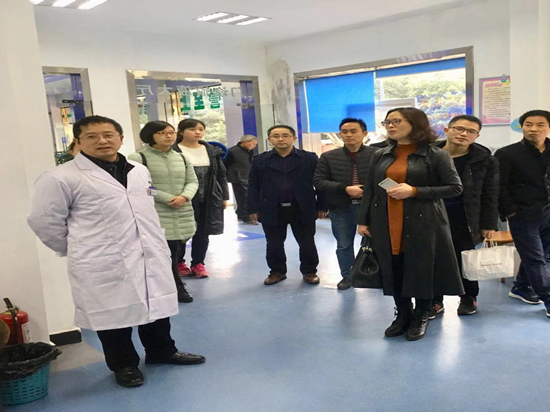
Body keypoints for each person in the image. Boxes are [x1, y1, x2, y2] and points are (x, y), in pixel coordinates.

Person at [28, 115, 205, 388]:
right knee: (112, 314)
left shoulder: (138, 170)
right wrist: (78, 248)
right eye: (92, 136)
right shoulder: (60, 177)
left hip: (149, 250)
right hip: (101, 258)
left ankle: (161, 351)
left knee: (156, 304)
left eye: (108, 134)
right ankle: (123, 364)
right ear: (78, 141)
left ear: (121, 138)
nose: (102, 141)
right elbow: (44, 221)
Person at [357, 108, 464, 341]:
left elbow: (455, 187)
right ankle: (402, 313)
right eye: (387, 122)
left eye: (397, 121)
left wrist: (415, 191)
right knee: (394, 266)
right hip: (386, 220)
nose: (390, 125)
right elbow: (372, 189)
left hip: (424, 221)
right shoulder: (380, 154)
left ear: (415, 124)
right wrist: (363, 220)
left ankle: (421, 314)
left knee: (422, 267)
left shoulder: (436, 154)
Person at [429, 115, 499, 317]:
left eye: (470, 131)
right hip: (431, 215)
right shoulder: (428, 155)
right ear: (447, 130)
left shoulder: (485, 160)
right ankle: (435, 300)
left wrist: (488, 224)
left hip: (466, 217)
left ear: (477, 136)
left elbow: (491, 194)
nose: (463, 134)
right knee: (433, 258)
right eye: (459, 128)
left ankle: (469, 297)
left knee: (466, 259)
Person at [128, 120, 198, 303]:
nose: (169, 136)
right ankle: (175, 287)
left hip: (182, 209)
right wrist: (167, 198)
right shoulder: (138, 158)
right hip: (156, 211)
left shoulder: (182, 157)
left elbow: (192, 181)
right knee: (164, 253)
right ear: (150, 135)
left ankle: (172, 284)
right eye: (162, 133)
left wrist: (184, 197)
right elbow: (139, 186)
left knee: (176, 250)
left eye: (171, 132)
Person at [248, 125, 326, 286]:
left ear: (294, 138)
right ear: (269, 140)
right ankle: (277, 272)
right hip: (271, 207)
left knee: (307, 242)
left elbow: (320, 183)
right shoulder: (259, 160)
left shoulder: (309, 158)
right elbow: (253, 185)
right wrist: (252, 208)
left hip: (302, 207)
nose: (280, 139)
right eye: (276, 136)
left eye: (285, 135)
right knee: (274, 243)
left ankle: (310, 271)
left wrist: (322, 206)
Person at [495, 109, 550, 318]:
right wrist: (510, 212)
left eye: (540, 124)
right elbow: (499, 186)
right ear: (522, 127)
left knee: (542, 255)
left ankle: (520, 287)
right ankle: (548, 298)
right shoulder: (507, 153)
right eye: (528, 124)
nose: (533, 129)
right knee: (535, 258)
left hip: (548, 213)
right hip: (523, 215)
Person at [314, 118, 377, 290]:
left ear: (364, 134)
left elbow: (385, 179)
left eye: (353, 131)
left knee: (375, 242)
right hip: (341, 207)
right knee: (343, 244)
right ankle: (348, 276)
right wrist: (345, 188)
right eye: (344, 131)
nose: (348, 135)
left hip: (370, 207)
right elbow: (319, 181)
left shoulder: (377, 154)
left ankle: (374, 273)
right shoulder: (328, 157)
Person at [173, 119, 230, 278]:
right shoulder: (173, 151)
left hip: (208, 197)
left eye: (200, 129)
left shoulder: (211, 150)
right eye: (192, 129)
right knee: (182, 233)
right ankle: (179, 262)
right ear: (181, 132)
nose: (197, 132)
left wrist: (224, 196)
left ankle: (198, 263)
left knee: (203, 232)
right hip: (183, 199)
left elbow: (221, 175)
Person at [224, 135, 258, 225]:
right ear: (245, 142)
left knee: (244, 197)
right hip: (237, 178)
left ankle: (240, 213)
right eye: (253, 144)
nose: (254, 146)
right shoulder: (232, 151)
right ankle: (246, 217)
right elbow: (225, 164)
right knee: (243, 198)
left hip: (247, 177)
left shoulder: (250, 151)